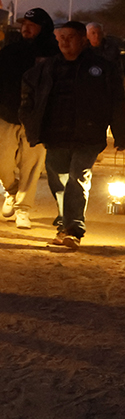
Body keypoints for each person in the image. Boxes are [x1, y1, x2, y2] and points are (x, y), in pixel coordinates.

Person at [21, 21, 125, 249]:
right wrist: (30, 121)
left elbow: (117, 102)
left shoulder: (103, 68)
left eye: (70, 37)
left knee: (78, 178)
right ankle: (64, 224)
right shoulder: (46, 68)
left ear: (83, 40)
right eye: (61, 37)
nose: (65, 42)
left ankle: (73, 228)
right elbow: (28, 91)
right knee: (58, 180)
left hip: (87, 134)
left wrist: (120, 133)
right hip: (55, 133)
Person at [0, 8, 58, 229]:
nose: (26, 28)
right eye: (24, 24)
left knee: (31, 165)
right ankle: (12, 191)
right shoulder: (10, 52)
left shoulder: (55, 55)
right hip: (7, 114)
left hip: (37, 119)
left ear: (43, 27)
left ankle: (23, 209)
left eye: (32, 24)